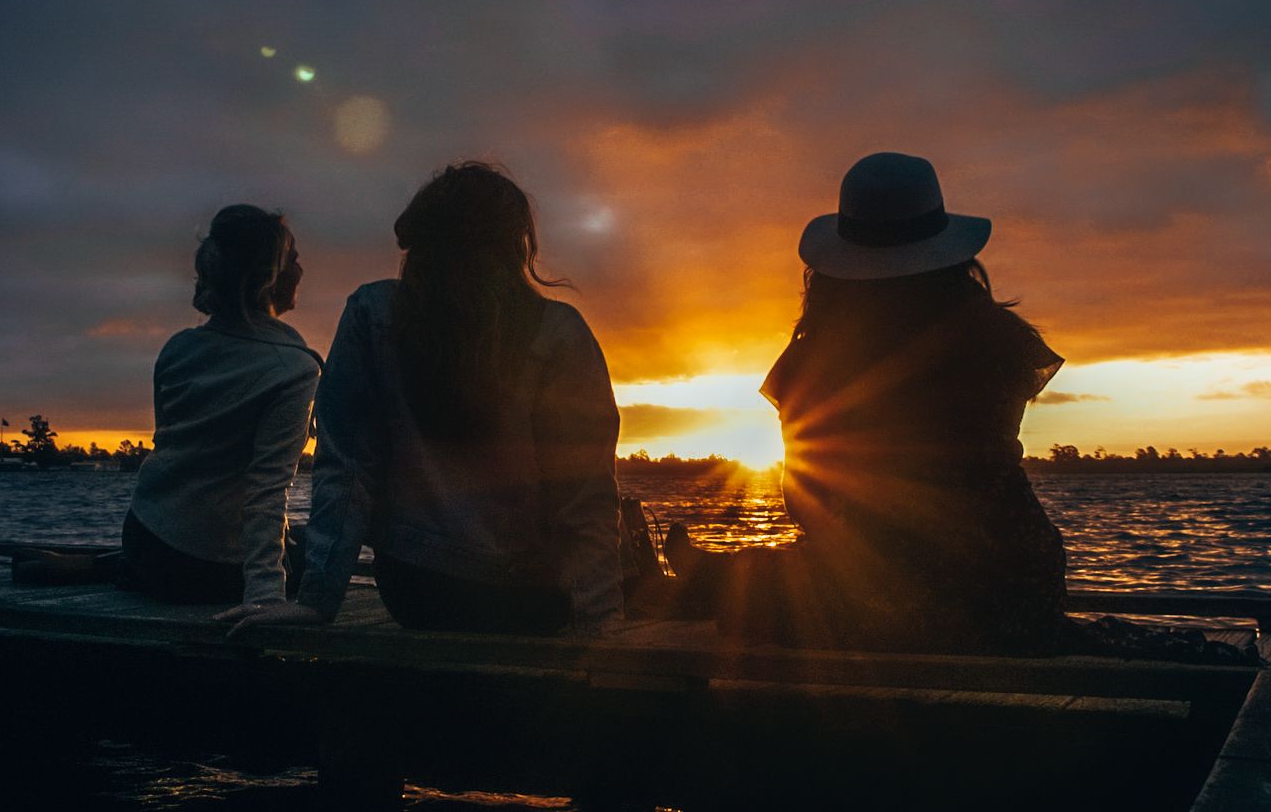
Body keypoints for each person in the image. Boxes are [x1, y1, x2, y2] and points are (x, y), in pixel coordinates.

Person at [664, 152, 1070, 655]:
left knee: (797, 587)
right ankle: (725, 579)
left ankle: (715, 581)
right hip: (1020, 586)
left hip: (892, 601)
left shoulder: (819, 362)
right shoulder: (996, 342)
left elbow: (810, 502)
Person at [232, 162, 624, 637]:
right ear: (515, 244)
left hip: (416, 593)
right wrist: (599, 620)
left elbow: (348, 469)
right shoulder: (561, 331)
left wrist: (318, 600)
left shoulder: (371, 312)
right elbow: (585, 495)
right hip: (528, 601)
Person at [119, 204, 321, 606]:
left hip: (145, 537)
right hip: (207, 568)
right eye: (294, 259)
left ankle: (114, 567)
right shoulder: (294, 369)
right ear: (271, 276)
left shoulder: (177, 348)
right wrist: (264, 596)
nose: (302, 270)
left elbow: (172, 451)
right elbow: (266, 492)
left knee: (297, 535)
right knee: (321, 546)